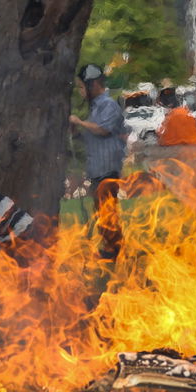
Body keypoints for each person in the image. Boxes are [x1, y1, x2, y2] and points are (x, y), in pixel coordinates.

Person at [69, 64, 126, 262]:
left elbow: (103, 129)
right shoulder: (94, 108)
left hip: (107, 169)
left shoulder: (108, 105)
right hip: (97, 169)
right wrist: (76, 131)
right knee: (101, 211)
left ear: (93, 85)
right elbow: (90, 134)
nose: (80, 91)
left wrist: (80, 123)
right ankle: (110, 247)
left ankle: (113, 249)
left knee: (107, 211)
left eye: (82, 87)